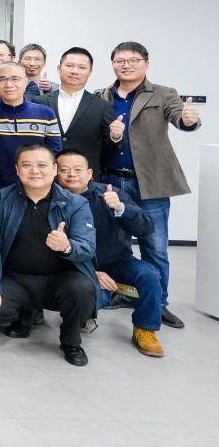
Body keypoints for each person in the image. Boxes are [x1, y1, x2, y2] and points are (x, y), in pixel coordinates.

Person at [98, 41, 200, 330]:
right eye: (120, 60)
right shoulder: (102, 95)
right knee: (117, 244)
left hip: (149, 182)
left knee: (154, 246)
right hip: (111, 180)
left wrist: (188, 120)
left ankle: (159, 302)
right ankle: (125, 292)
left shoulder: (163, 94)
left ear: (146, 63)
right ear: (113, 64)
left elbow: (180, 117)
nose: (126, 65)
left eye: (133, 60)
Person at [0, 144, 98, 366]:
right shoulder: (0, 198)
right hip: (15, 277)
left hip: (59, 280)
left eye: (42, 165)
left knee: (81, 291)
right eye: (27, 165)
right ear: (17, 170)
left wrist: (67, 246)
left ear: (54, 169)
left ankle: (71, 341)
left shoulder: (76, 203)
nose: (35, 171)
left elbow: (87, 247)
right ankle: (27, 314)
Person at [55, 150, 163, 357]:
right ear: (55, 173)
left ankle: (145, 329)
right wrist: (91, 272)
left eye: (77, 169)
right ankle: (84, 318)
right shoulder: (53, 199)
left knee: (149, 275)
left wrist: (121, 208)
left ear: (89, 173)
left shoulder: (110, 193)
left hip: (118, 260)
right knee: (92, 295)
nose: (71, 174)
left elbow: (146, 227)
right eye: (64, 170)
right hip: (78, 265)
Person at [0, 61, 62, 193]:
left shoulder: (45, 113)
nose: (9, 84)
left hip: (35, 189)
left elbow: (55, 151)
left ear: (25, 82)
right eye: (2, 79)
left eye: (15, 79)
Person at [38, 46, 119, 170]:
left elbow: (111, 148)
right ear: (59, 68)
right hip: (46, 173)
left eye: (82, 67)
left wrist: (116, 137)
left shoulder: (102, 106)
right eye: (69, 66)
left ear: (90, 72)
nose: (75, 71)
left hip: (83, 175)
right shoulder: (40, 102)